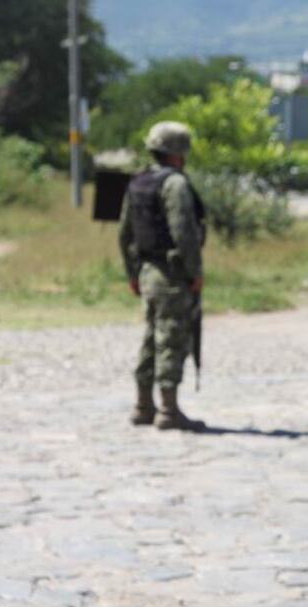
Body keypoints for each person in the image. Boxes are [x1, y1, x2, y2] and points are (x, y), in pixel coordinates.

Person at [118, 121, 206, 431]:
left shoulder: (139, 182)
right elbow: (184, 232)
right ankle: (168, 411)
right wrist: (195, 272)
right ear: (179, 152)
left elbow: (124, 234)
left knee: (150, 338)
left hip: (147, 273)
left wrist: (132, 273)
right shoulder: (175, 184)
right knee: (171, 339)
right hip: (171, 275)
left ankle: (143, 406)